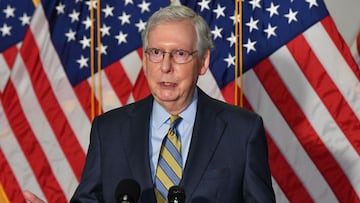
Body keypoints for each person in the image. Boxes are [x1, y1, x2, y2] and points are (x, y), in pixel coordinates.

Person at [24, 5, 275, 203]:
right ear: (145, 61)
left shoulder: (242, 131)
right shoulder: (108, 130)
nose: (165, 67)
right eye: (156, 53)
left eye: (179, 54)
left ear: (203, 61)